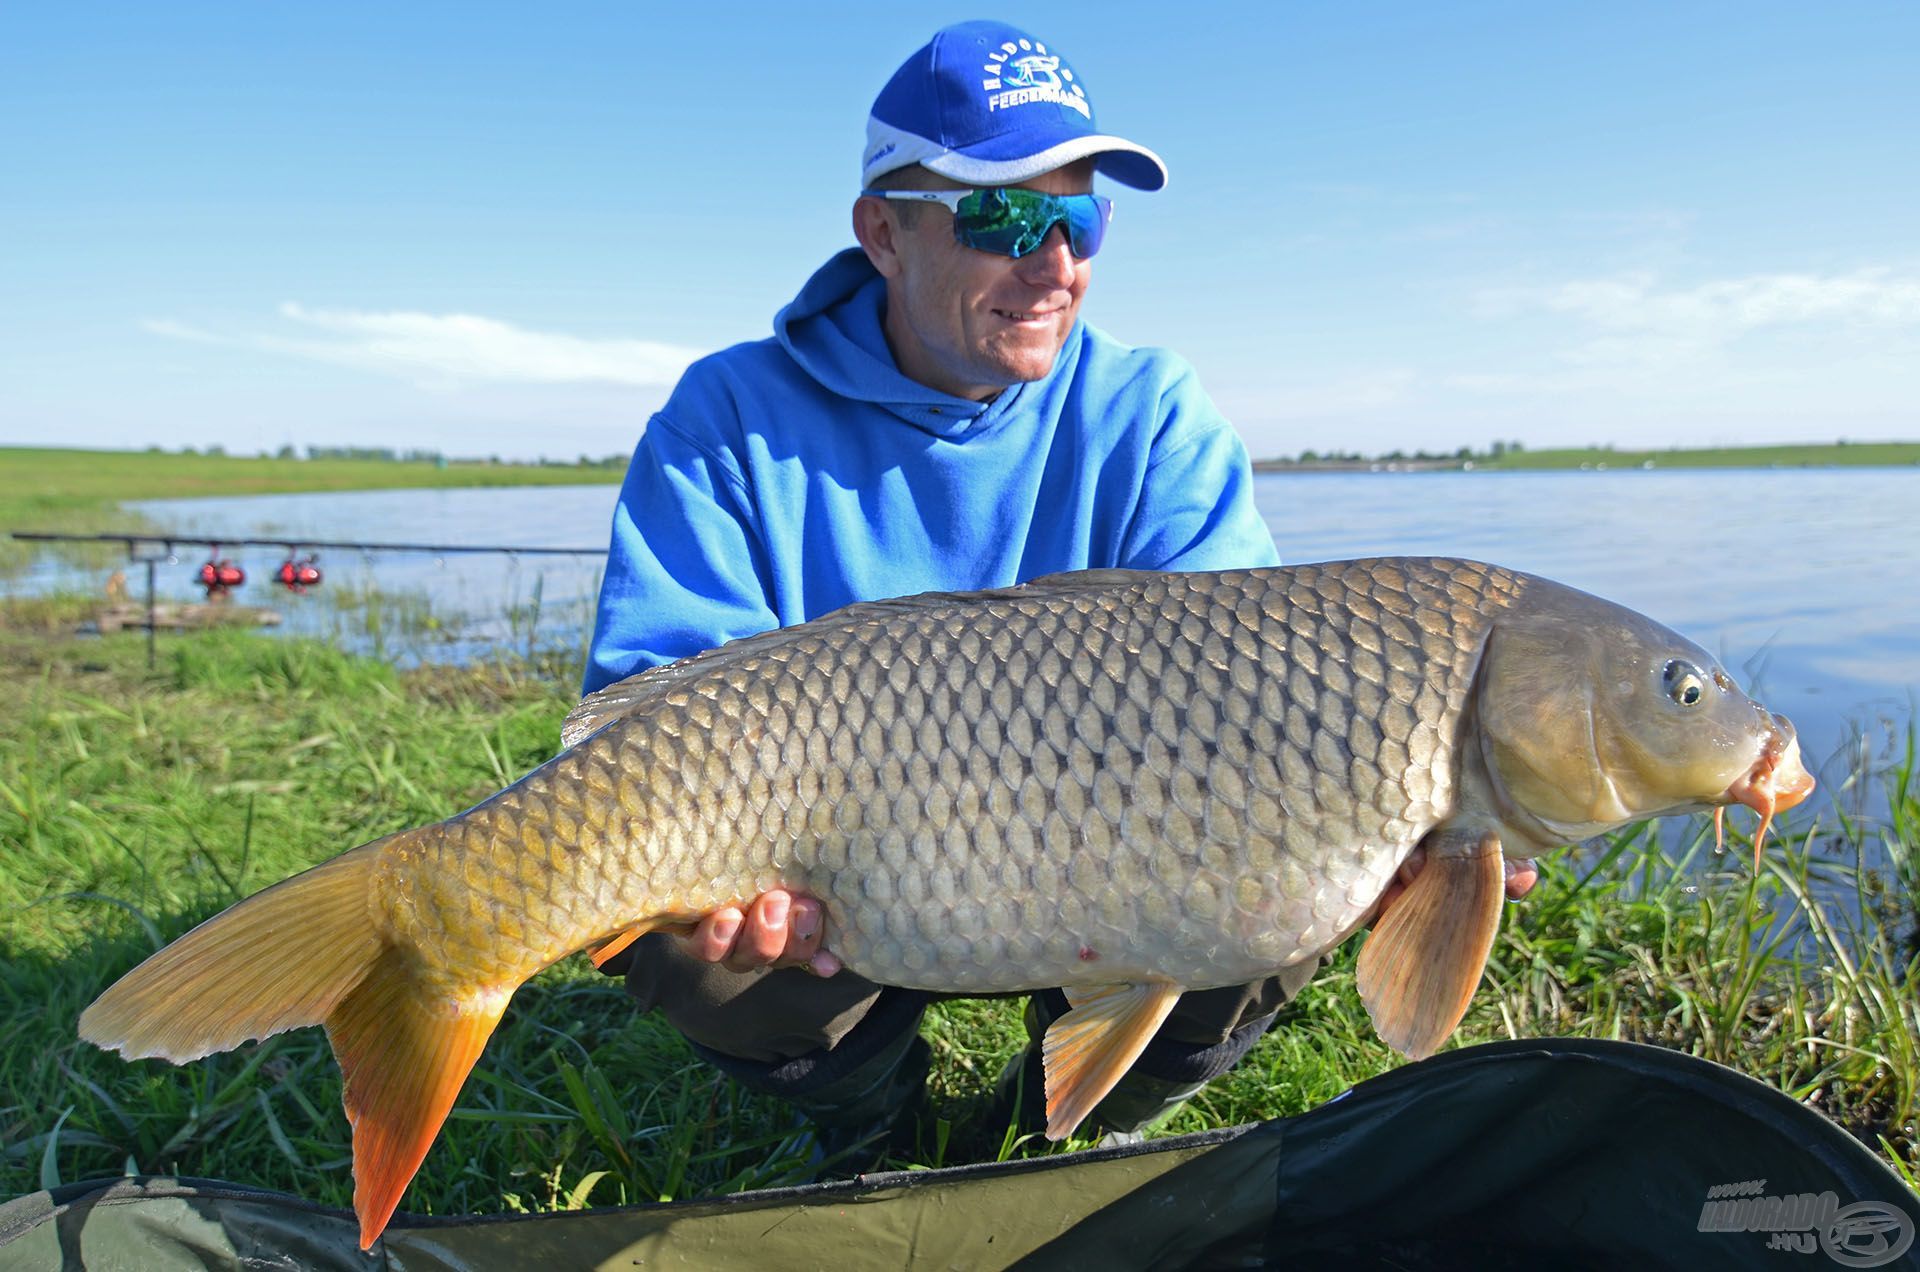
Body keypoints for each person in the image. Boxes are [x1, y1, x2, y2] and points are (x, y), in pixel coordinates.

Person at [582, 20, 1517, 1164]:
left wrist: (1397, 815)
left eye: (1081, 219)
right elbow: (645, 708)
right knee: (684, 936)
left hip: (1096, 871)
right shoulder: (727, 416)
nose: (1055, 264)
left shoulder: (1153, 412)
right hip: (834, 884)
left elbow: (1256, 703)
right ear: (883, 231)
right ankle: (871, 1123)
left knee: (1290, 876)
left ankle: (1046, 1134)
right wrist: (715, 880)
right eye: (1007, 218)